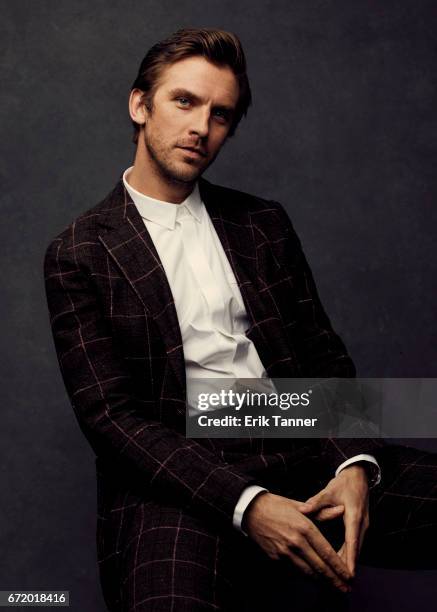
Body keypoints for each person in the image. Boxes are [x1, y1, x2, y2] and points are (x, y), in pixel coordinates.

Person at [44, 28, 437, 612]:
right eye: (184, 101)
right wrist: (248, 502)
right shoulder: (79, 252)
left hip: (301, 438)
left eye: (220, 113)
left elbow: (323, 359)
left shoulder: (262, 224)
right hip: (179, 479)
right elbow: (113, 421)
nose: (201, 127)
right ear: (139, 104)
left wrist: (355, 460)